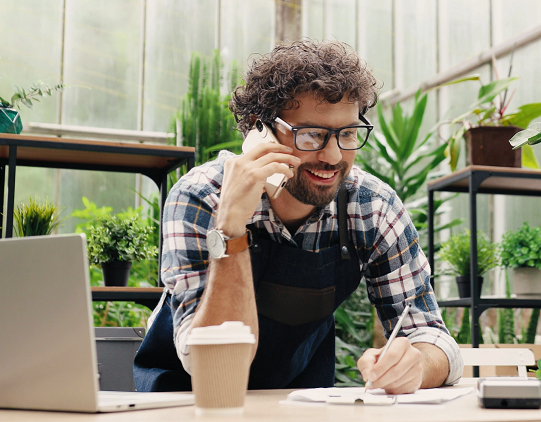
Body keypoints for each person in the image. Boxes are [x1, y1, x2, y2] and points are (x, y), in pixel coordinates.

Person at [133, 39, 463, 393]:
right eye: (311, 135)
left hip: (297, 402)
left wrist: (417, 365)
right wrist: (230, 226)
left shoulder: (372, 207)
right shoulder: (202, 196)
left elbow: (432, 337)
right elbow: (213, 364)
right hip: (187, 401)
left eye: (348, 134)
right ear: (260, 130)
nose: (334, 157)